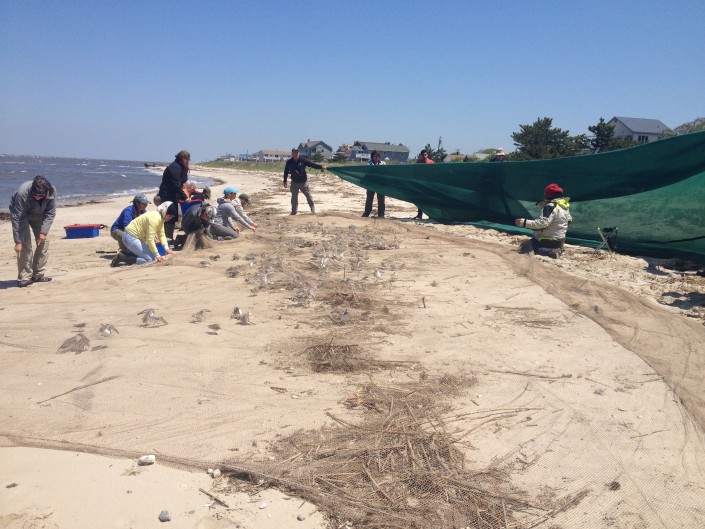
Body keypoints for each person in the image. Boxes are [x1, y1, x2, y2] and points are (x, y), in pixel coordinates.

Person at [10, 175, 56, 287]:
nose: (37, 197)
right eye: (35, 195)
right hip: (22, 215)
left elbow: (50, 213)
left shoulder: (52, 191)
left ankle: (38, 275)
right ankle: (23, 278)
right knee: (25, 245)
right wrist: (18, 241)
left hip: (39, 215)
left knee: (44, 243)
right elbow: (17, 217)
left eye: (40, 196)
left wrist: (43, 232)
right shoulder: (22, 192)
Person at [514, 184, 572, 258]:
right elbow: (569, 220)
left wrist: (524, 222)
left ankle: (551, 252)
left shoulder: (550, 206)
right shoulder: (564, 205)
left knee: (527, 245)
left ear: (548, 195)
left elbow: (542, 224)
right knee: (534, 241)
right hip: (560, 240)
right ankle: (557, 249)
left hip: (549, 240)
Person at [158, 150, 191, 240]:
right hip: (167, 195)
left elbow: (183, 181)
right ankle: (166, 238)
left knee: (173, 216)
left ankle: (168, 237)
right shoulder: (174, 167)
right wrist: (185, 197)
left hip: (173, 195)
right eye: (186, 159)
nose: (187, 161)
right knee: (169, 216)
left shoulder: (180, 167)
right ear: (182, 158)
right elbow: (176, 184)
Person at [283, 148, 327, 215]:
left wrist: (321, 167)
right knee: (294, 198)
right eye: (295, 152)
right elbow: (286, 171)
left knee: (308, 196)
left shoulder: (303, 160)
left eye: (297, 152)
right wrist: (285, 181)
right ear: (292, 153)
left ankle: (312, 209)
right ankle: (294, 212)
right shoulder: (289, 162)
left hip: (303, 182)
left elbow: (312, 165)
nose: (296, 153)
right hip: (294, 182)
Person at [110, 193, 150, 266]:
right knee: (124, 236)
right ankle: (124, 252)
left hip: (130, 231)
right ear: (137, 203)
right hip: (117, 230)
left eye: (146, 203)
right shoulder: (128, 210)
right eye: (143, 203)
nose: (145, 205)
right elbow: (127, 227)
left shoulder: (143, 212)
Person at [362, 150, 386, 218]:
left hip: (380, 184)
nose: (377, 157)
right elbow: (367, 172)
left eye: (378, 156)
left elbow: (385, 173)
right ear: (372, 157)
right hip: (371, 184)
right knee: (369, 199)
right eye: (375, 156)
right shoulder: (369, 164)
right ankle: (366, 213)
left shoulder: (383, 164)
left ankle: (381, 214)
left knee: (381, 200)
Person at [413, 149, 434, 219]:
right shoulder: (419, 162)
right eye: (423, 155)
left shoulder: (431, 162)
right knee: (420, 200)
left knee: (429, 201)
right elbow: (415, 171)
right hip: (421, 184)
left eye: (426, 154)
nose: (425, 156)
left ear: (427, 155)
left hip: (429, 185)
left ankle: (431, 215)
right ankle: (419, 215)